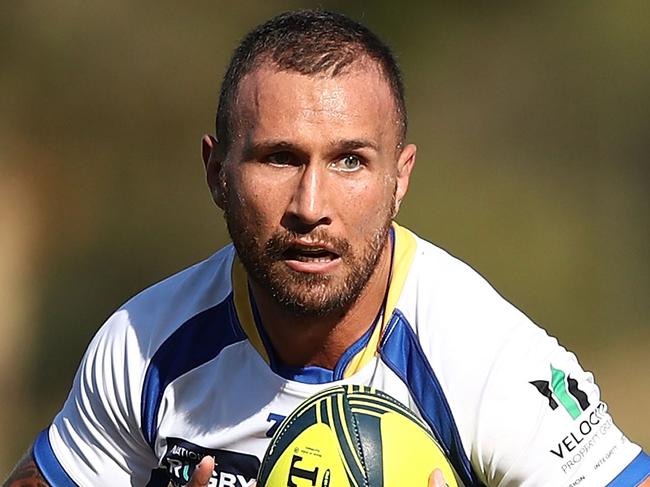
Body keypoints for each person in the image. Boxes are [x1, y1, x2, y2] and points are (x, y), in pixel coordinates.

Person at [3, 9, 649, 487]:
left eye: (349, 161)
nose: (311, 205)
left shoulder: (487, 360)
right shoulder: (143, 345)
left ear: (399, 179)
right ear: (216, 172)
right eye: (279, 157)